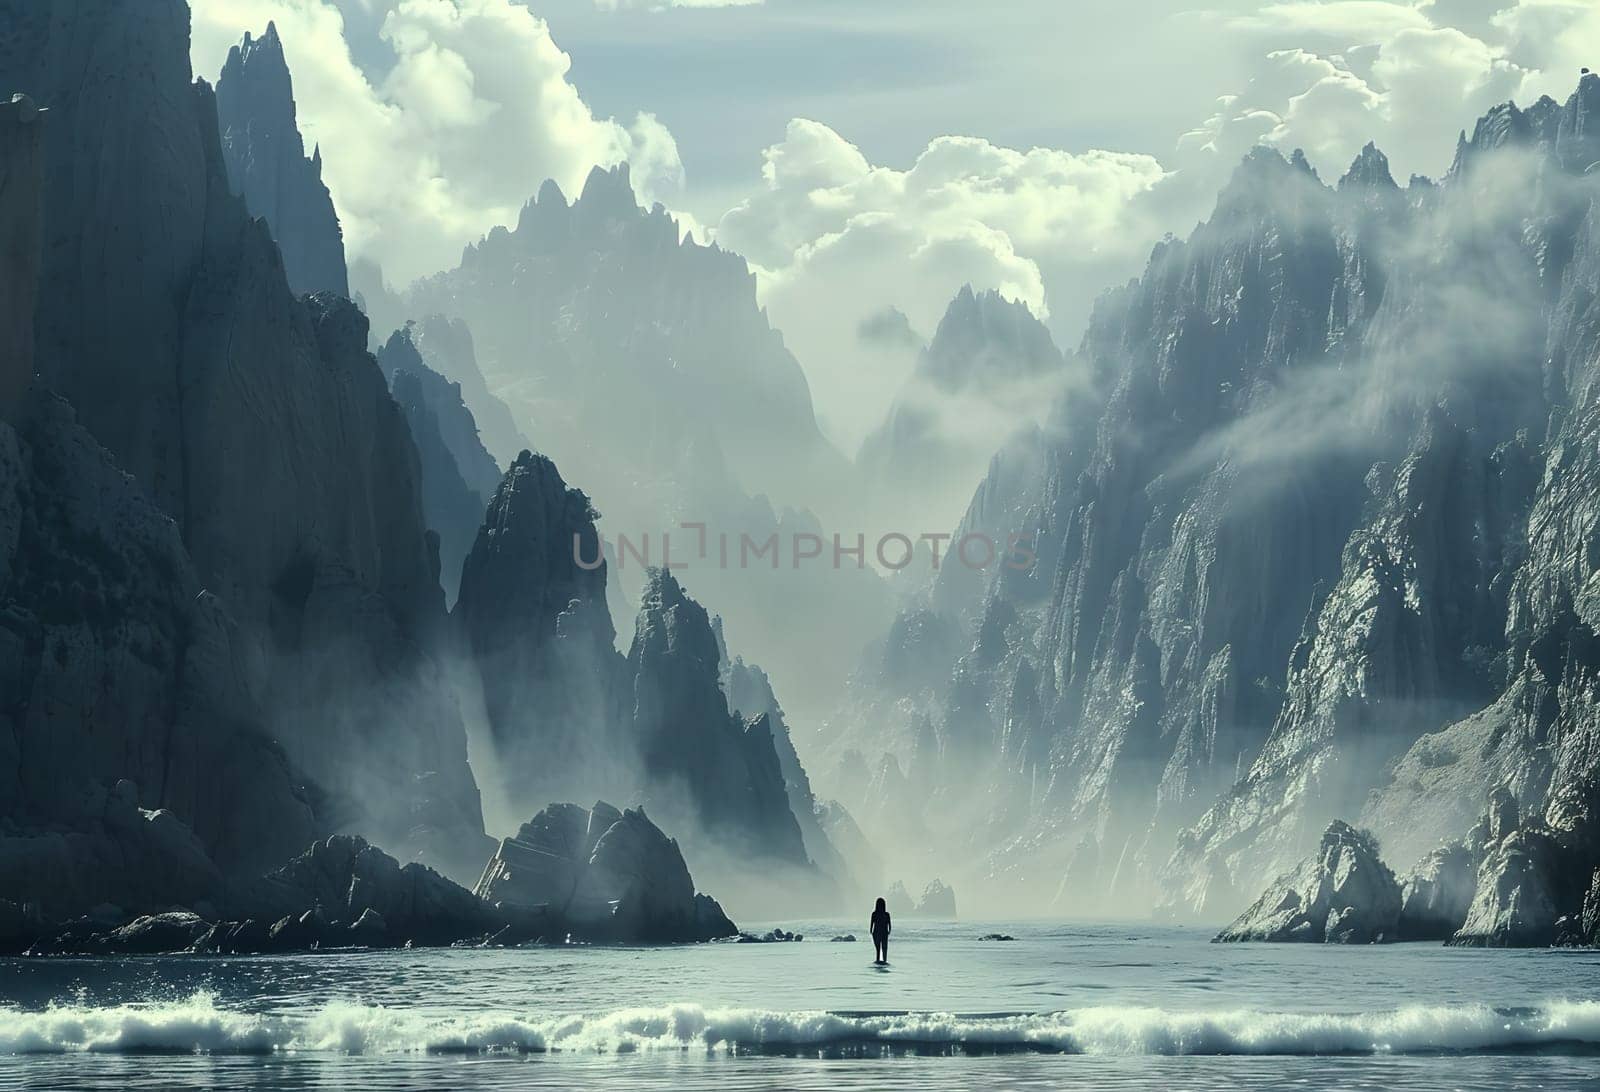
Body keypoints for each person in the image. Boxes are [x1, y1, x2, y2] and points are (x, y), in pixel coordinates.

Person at [870, 896, 891, 964]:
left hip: (876, 932)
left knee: (878, 949)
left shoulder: (874, 914)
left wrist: (871, 931)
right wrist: (889, 931)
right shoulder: (886, 914)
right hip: (884, 932)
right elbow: (889, 925)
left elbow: (871, 924)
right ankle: (884, 961)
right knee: (884, 948)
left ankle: (878, 960)